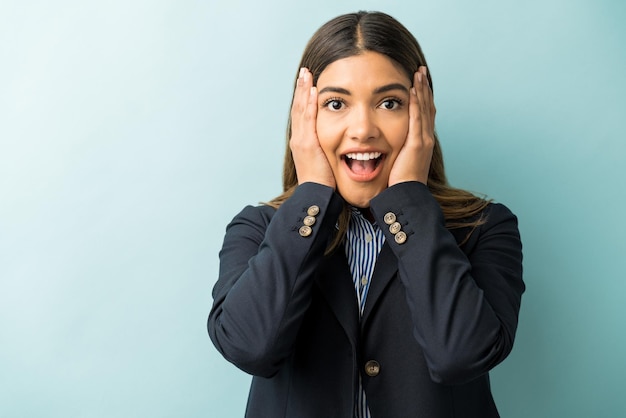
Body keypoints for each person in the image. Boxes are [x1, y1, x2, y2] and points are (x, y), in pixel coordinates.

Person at [208, 10, 524, 418]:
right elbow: (250, 347)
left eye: (389, 103)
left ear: (421, 116)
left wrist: (408, 197)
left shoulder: (486, 227)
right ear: (305, 120)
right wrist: (312, 197)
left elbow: (459, 356)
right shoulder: (258, 229)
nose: (362, 129)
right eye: (336, 103)